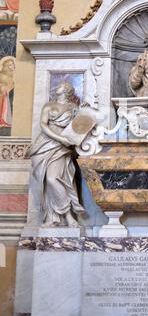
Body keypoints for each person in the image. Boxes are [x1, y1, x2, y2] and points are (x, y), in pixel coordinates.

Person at [30, 82, 85, 227]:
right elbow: (43, 125)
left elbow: (78, 127)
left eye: (60, 85)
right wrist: (60, 138)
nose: (57, 87)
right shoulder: (48, 105)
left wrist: (84, 114)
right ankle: (53, 216)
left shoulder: (73, 107)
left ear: (66, 90)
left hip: (62, 147)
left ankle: (68, 215)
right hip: (46, 144)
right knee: (47, 181)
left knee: (54, 178)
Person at [0, 56, 15, 128]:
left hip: (10, 95)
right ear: (6, 67)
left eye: (13, 64)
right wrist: (4, 88)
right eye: (10, 64)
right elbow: (2, 85)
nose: (13, 66)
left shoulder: (15, 75)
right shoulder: (3, 76)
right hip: (4, 96)